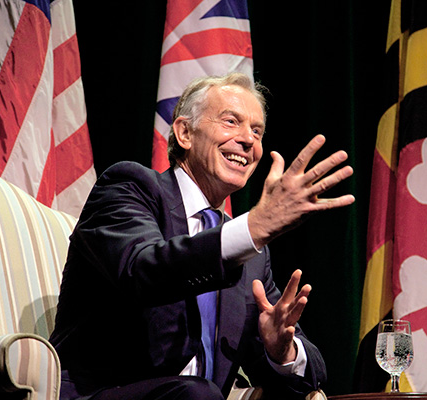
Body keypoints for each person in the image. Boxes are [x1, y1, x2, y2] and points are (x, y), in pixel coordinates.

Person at [49, 72, 355, 400]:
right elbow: (143, 269)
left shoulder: (252, 256)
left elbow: (306, 374)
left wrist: (282, 351)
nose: (248, 141)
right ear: (184, 133)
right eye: (231, 121)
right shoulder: (130, 187)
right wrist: (252, 228)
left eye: (257, 131)